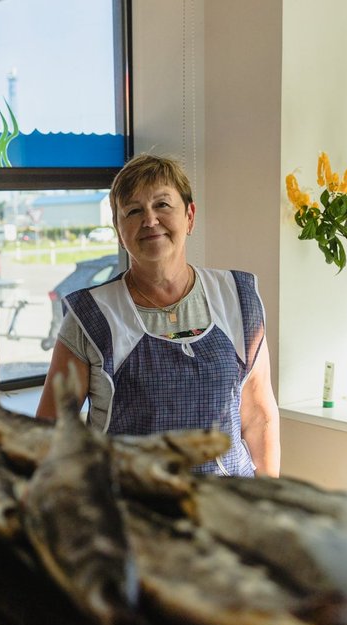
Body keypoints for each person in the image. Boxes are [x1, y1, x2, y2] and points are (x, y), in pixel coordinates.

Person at [36, 153, 280, 477]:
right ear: (119, 229)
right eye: (133, 211)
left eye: (162, 205)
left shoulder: (237, 297)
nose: (150, 220)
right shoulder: (90, 317)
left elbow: (259, 416)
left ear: (190, 216)